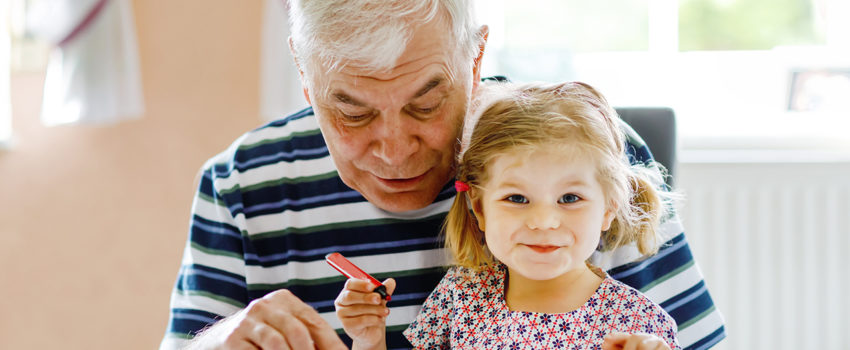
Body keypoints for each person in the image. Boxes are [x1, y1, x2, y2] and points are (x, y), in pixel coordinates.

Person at [160, 1, 725, 349]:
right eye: (352, 112)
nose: (396, 150)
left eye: (426, 105)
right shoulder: (240, 185)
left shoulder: (584, 151)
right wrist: (214, 345)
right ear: (306, 79)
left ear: (474, 58)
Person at [335, 82, 681, 350]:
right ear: (480, 208)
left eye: (569, 198)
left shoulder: (638, 325)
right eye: (517, 198)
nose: (543, 221)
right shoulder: (460, 297)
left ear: (608, 208)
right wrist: (368, 339)